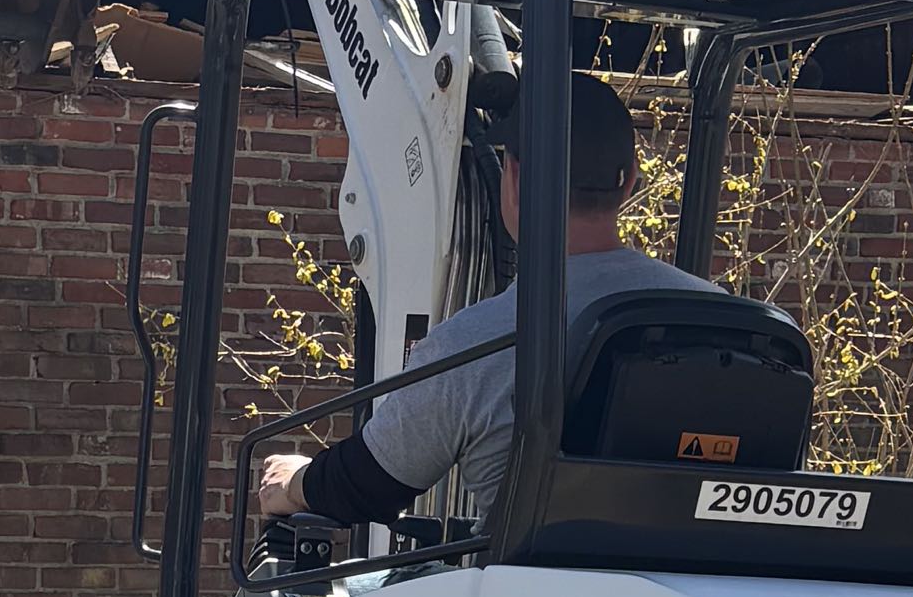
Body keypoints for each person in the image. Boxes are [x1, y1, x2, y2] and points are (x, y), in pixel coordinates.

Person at [251, 69, 730, 543]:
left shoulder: (483, 340)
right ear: (629, 186)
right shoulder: (726, 324)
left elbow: (369, 481)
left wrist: (294, 484)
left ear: (516, 178)